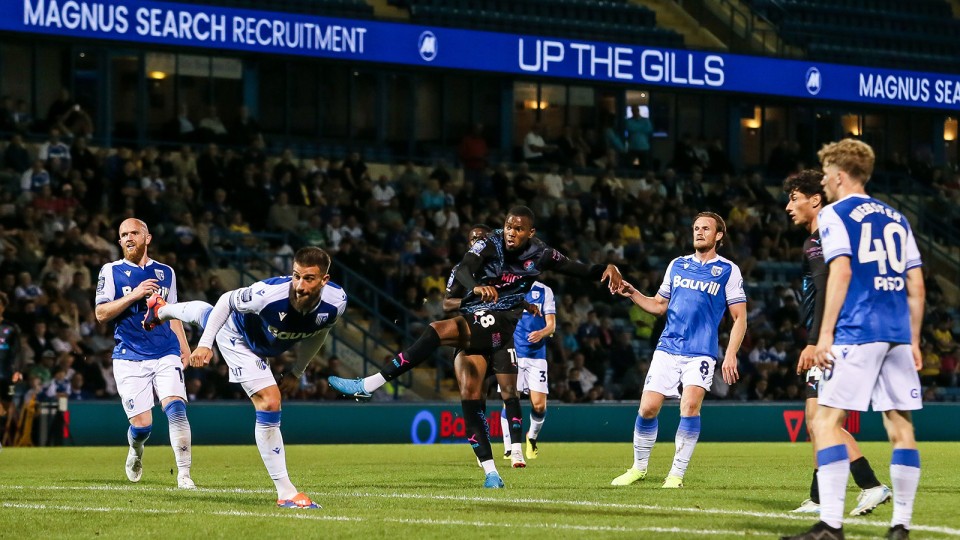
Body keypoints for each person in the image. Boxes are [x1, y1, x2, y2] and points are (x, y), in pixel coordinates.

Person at [330, 207, 622, 487]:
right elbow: (465, 270)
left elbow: (577, 268)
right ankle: (491, 473)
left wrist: (605, 269)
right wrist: (475, 287)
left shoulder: (542, 253)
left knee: (438, 330)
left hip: (503, 320)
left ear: (530, 232)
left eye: (518, 229)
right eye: (509, 226)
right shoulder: (490, 242)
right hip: (479, 317)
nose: (511, 233)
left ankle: (369, 384)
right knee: (470, 396)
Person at [782, 139, 925, 540]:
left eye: (826, 174)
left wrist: (823, 336)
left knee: (825, 421)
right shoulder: (897, 217)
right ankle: (901, 526)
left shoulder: (834, 215)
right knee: (901, 428)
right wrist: (913, 339)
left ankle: (830, 525)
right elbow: (916, 283)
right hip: (896, 334)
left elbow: (840, 273)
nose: (824, 182)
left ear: (840, 175)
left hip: (856, 331)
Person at [144, 246, 344, 509]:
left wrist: (297, 371)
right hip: (238, 337)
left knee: (206, 313)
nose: (299, 285)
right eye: (296, 276)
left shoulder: (336, 303)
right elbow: (227, 299)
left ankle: (160, 310)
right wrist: (206, 344)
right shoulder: (268, 295)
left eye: (308, 278)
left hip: (260, 345)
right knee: (270, 401)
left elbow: (319, 333)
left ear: (324, 280)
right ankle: (286, 492)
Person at [611, 212, 746, 489]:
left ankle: (676, 475)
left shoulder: (728, 271)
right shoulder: (677, 265)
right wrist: (633, 293)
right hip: (668, 347)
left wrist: (730, 353)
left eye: (705, 229)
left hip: (701, 352)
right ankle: (638, 468)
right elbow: (659, 305)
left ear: (718, 235)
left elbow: (740, 317)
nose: (699, 232)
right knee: (647, 408)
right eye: (696, 228)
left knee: (690, 406)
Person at [783, 170, 891, 516]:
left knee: (823, 421)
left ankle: (871, 485)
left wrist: (816, 342)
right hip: (840, 335)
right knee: (817, 418)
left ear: (815, 200)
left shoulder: (822, 240)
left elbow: (832, 289)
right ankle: (820, 497)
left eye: (794, 198)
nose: (788, 206)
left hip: (835, 339)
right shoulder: (822, 239)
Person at [93, 218, 195, 489]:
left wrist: (184, 346)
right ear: (119, 241)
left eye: (134, 233)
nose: (129, 238)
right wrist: (135, 295)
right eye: (124, 234)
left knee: (176, 409)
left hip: (165, 350)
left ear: (147, 238)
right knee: (142, 426)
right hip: (129, 355)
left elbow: (172, 313)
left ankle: (184, 475)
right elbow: (101, 314)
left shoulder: (166, 272)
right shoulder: (111, 270)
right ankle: (136, 450)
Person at [500, 280, 555, 461]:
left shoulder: (544, 290)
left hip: (536, 356)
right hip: (513, 353)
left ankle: (531, 437)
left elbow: (551, 326)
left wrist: (542, 333)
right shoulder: (510, 287)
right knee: (509, 400)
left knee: (539, 405)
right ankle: (508, 448)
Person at [0, 293, 23, 449]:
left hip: (6, 373)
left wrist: (17, 370)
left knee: (4, 410)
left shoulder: (10, 327)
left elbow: (18, 352)